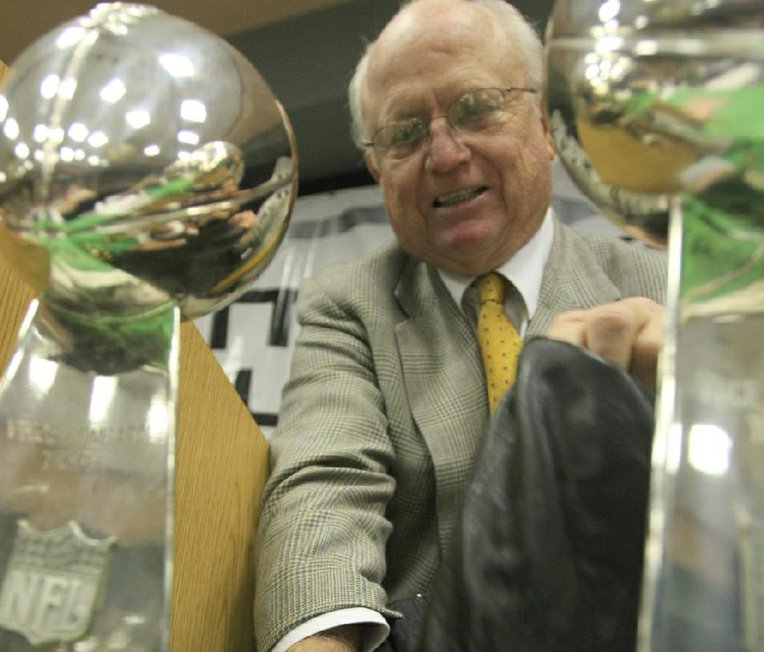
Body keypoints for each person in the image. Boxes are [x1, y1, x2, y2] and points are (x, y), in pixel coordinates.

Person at [255, 1, 666, 651]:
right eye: (405, 133)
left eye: (476, 108)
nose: (444, 155)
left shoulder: (657, 291)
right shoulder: (349, 304)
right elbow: (324, 492)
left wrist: (703, 387)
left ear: (547, 125)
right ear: (377, 169)